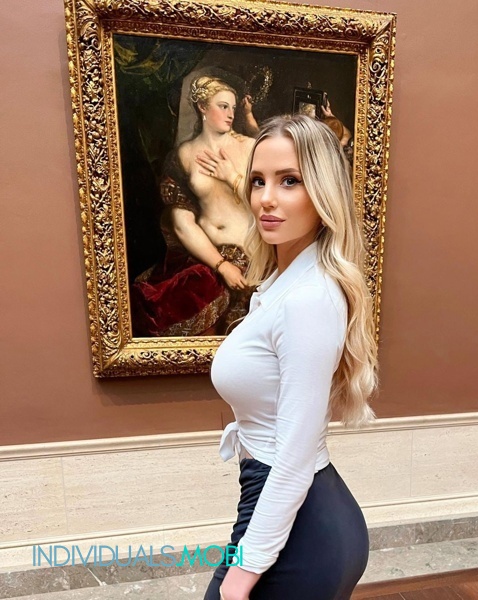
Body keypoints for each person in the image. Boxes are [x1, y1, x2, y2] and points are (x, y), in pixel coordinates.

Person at [204, 114, 378, 599]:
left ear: (323, 193)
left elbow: (296, 455)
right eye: (258, 180)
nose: (266, 198)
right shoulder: (282, 284)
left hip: (302, 528)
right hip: (286, 509)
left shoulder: (309, 298)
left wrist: (241, 576)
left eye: (289, 181)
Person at [131, 76, 257, 337]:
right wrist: (222, 265)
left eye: (233, 108)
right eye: (223, 106)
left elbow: (273, 204)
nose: (231, 114)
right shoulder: (184, 155)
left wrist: (232, 177)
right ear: (202, 107)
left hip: (253, 259)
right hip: (208, 260)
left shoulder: (250, 147)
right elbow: (181, 223)